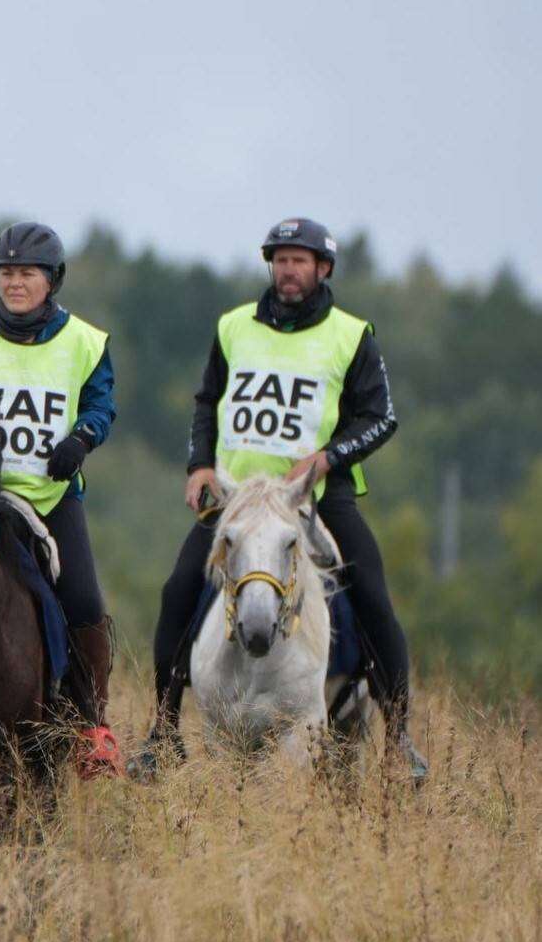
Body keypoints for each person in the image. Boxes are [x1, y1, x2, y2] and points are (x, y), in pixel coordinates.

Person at [131, 217, 429, 782]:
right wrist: (199, 465)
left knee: (371, 593)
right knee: (178, 589)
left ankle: (399, 739)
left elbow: (381, 417)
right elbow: (206, 400)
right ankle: (163, 732)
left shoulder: (351, 334)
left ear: (323, 269)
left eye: (301, 260)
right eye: (281, 259)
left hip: (315, 495)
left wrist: (325, 459)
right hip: (238, 497)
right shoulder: (232, 327)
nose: (289, 270)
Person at [0, 221, 122, 777]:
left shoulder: (86, 342)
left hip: (47, 496)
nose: (15, 283)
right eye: (7, 273)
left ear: (53, 280)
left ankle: (91, 728)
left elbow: (100, 404)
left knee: (85, 602)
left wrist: (81, 439)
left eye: (28, 274)